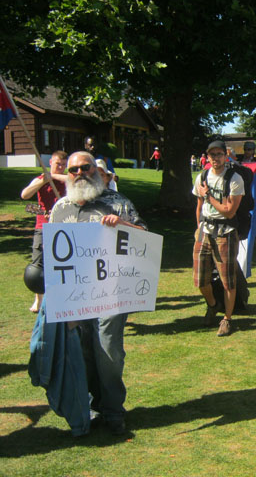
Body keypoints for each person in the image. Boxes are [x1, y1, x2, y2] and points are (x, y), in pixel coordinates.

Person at [49, 151, 147, 436]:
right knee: (83, 352)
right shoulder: (60, 208)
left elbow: (145, 237)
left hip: (112, 293)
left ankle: (114, 409)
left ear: (96, 170)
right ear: (67, 174)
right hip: (75, 296)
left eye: (85, 167)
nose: (79, 172)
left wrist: (122, 225)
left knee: (108, 351)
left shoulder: (117, 203)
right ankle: (93, 406)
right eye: (73, 169)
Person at [192, 140, 245, 336]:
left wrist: (209, 197)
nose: (216, 158)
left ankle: (227, 319)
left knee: (227, 280)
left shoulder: (234, 178)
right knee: (200, 279)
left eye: (219, 154)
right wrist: (197, 228)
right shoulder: (202, 177)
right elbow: (199, 205)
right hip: (204, 231)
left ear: (226, 155)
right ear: (207, 157)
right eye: (212, 154)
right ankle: (213, 304)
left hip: (226, 233)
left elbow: (229, 212)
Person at [20, 150, 68, 313]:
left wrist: (55, 177)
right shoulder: (41, 179)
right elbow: (25, 195)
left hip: (64, 227)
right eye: (57, 164)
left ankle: (62, 297)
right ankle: (38, 300)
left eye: (63, 165)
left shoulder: (68, 180)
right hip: (43, 227)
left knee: (63, 264)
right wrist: (42, 181)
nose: (60, 167)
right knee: (39, 264)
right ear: (50, 163)